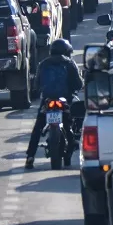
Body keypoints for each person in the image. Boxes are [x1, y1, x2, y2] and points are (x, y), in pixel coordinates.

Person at [27, 39, 84, 168]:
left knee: (38, 128)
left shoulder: (43, 64)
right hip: (66, 100)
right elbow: (79, 84)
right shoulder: (70, 63)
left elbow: (36, 85)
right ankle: (73, 141)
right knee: (73, 121)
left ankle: (30, 156)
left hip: (47, 100)